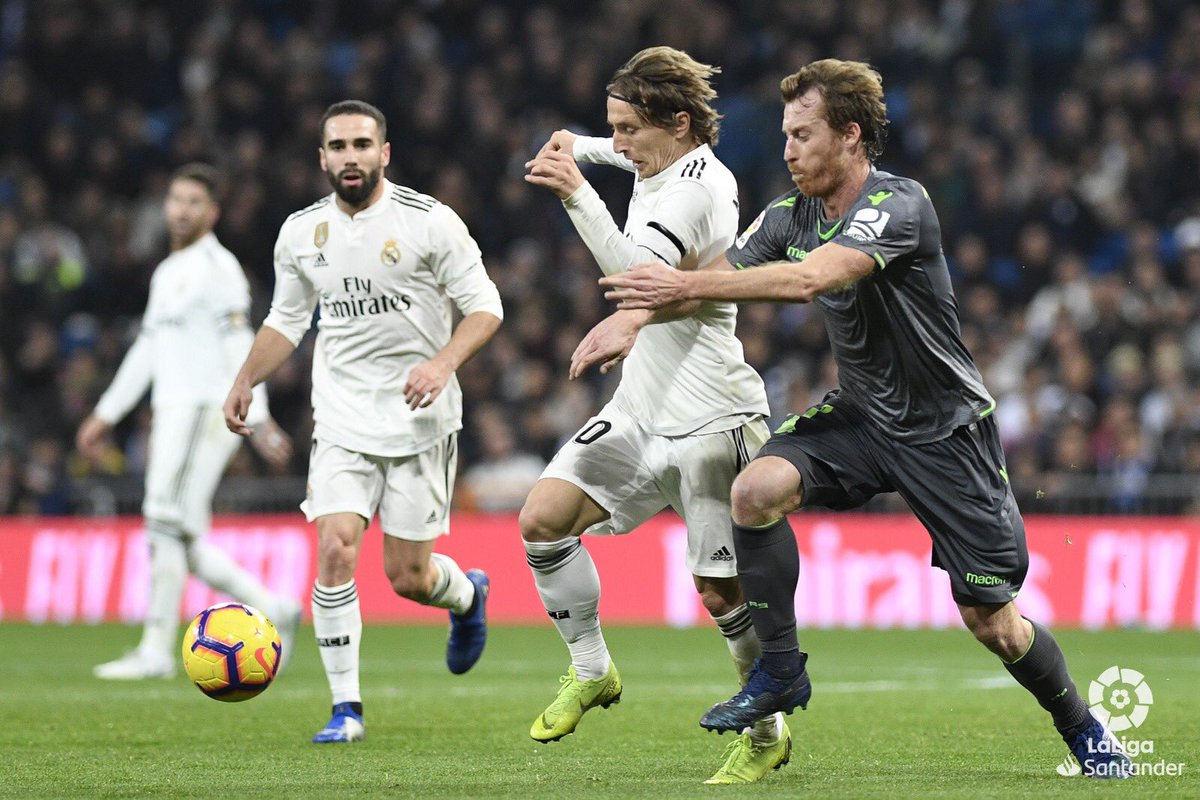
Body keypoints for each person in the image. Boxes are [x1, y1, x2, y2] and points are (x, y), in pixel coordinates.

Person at [597, 59, 1134, 779]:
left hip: (944, 432)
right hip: (863, 416)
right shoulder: (787, 215)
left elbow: (811, 278)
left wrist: (674, 286)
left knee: (994, 624)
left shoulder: (898, 204)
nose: (788, 150)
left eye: (803, 134)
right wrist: (634, 318)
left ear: (850, 135)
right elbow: (715, 282)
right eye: (785, 135)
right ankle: (781, 670)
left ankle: (1083, 728)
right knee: (754, 491)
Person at [521, 47, 789, 785]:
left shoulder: (698, 191)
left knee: (719, 593)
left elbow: (635, 279)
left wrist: (577, 191)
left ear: (678, 124)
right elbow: (615, 149)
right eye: (613, 127)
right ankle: (592, 670)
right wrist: (578, 143)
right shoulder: (656, 155)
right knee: (543, 519)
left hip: (711, 417)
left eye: (628, 129)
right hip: (641, 408)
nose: (620, 143)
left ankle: (766, 731)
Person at [223, 100, 503, 744]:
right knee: (335, 548)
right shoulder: (301, 233)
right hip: (342, 418)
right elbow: (287, 319)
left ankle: (467, 596)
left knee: (408, 578)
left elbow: (486, 307)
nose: (350, 157)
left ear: (385, 153)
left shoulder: (430, 222)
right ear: (322, 158)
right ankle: (345, 708)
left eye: (361, 145)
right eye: (338, 146)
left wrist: (443, 363)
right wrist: (245, 378)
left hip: (420, 420)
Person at [78, 163, 301, 681]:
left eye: (194, 202)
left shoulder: (220, 269)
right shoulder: (167, 272)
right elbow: (148, 349)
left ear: (213, 212)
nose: (182, 210)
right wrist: (106, 412)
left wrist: (260, 415)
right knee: (179, 534)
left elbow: (239, 343)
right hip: (174, 410)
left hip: (204, 412)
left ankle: (155, 650)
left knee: (162, 520)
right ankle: (275, 607)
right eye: (176, 199)